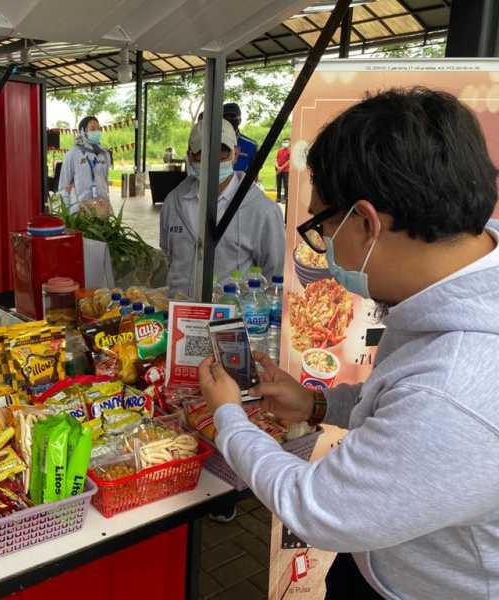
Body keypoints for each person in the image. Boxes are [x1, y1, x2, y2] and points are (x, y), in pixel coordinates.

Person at [199, 88, 499, 599]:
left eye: (322, 225)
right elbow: (397, 411)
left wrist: (227, 417)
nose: (324, 248)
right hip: (388, 560)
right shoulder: (456, 290)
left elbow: (315, 506)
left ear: (365, 222)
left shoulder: (455, 385)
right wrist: (318, 402)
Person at [159, 119, 284, 299]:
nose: (211, 160)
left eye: (222, 152)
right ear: (189, 156)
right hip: (178, 317)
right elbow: (168, 256)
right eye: (201, 153)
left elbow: (276, 279)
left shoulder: (262, 210)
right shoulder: (173, 202)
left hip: (232, 321)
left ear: (236, 153)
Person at [58, 115, 113, 216]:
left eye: (98, 129)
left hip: (101, 206)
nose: (97, 132)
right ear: (83, 131)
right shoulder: (72, 154)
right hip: (80, 208)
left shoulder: (104, 154)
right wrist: (69, 211)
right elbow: (64, 185)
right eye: (92, 129)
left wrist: (107, 202)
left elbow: (104, 180)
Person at [223, 102, 258, 173]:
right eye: (226, 118)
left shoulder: (251, 145)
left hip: (241, 183)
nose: (229, 120)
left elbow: (254, 173)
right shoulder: (211, 142)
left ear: (240, 120)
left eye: (233, 117)